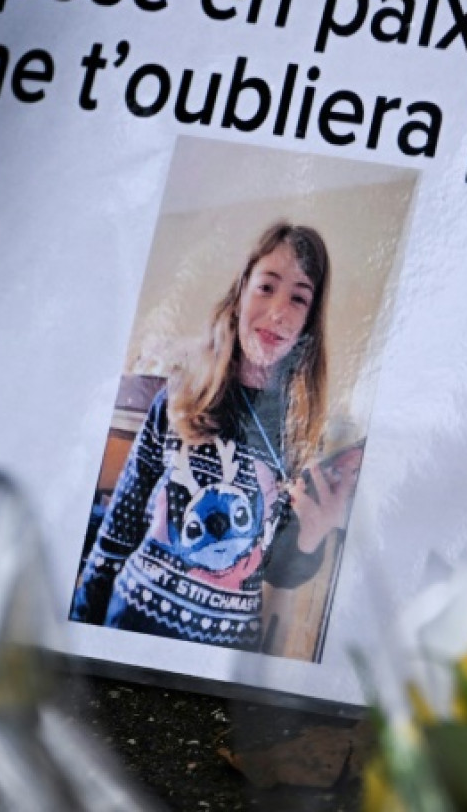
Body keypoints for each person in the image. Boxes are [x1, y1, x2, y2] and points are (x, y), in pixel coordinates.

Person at [70, 222, 360, 652]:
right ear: (241, 292)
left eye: (298, 298)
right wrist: (74, 635)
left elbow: (278, 571)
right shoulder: (178, 399)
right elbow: (114, 538)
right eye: (266, 287)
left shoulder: (301, 432)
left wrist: (313, 533)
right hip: (126, 629)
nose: (279, 311)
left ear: (308, 323)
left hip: (219, 661)